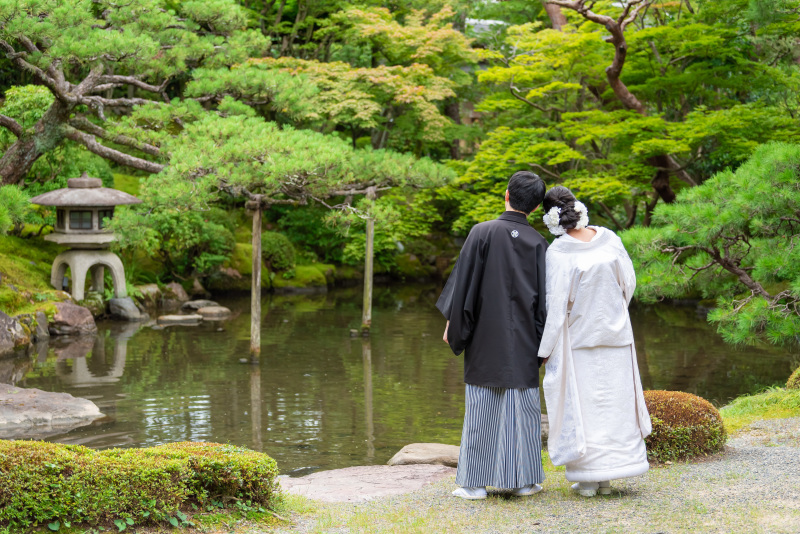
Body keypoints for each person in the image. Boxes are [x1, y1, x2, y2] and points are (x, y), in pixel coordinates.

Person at [436, 171, 548, 500]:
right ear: (536, 206)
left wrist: (454, 325)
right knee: (523, 409)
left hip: (485, 333)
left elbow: (464, 285)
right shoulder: (539, 243)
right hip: (525, 337)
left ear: (506, 195)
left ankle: (473, 484)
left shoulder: (481, 232)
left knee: (482, 406)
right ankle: (524, 481)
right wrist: (544, 346)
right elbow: (545, 303)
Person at [538, 186, 652, 497]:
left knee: (586, 407)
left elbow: (556, 305)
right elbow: (628, 283)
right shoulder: (610, 238)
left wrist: (544, 350)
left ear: (550, 218)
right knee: (615, 405)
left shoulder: (559, 252)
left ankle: (589, 477)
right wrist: (613, 310)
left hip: (578, 338)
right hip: (616, 333)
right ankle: (608, 478)